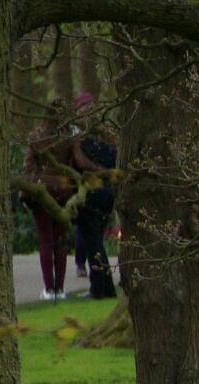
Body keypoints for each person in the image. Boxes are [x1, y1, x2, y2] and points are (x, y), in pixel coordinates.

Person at [20, 100, 101, 301]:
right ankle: (60, 288)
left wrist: (25, 193)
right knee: (60, 241)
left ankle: (49, 289)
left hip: (41, 193)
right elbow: (78, 161)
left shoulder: (36, 137)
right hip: (64, 192)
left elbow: (28, 168)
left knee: (46, 241)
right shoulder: (68, 137)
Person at [70, 94, 119, 300]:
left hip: (92, 193)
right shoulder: (110, 136)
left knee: (92, 242)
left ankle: (98, 288)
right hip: (109, 192)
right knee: (97, 240)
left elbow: (81, 163)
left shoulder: (82, 139)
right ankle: (106, 286)